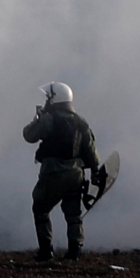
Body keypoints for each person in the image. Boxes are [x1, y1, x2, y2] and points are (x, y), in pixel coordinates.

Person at [23, 82, 100, 261]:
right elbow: (90, 151)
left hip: (53, 172)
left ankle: (46, 251)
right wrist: (95, 173)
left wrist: (37, 117)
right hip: (76, 173)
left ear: (54, 98)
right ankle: (75, 252)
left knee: (40, 209)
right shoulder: (81, 122)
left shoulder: (48, 119)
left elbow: (29, 135)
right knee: (73, 213)